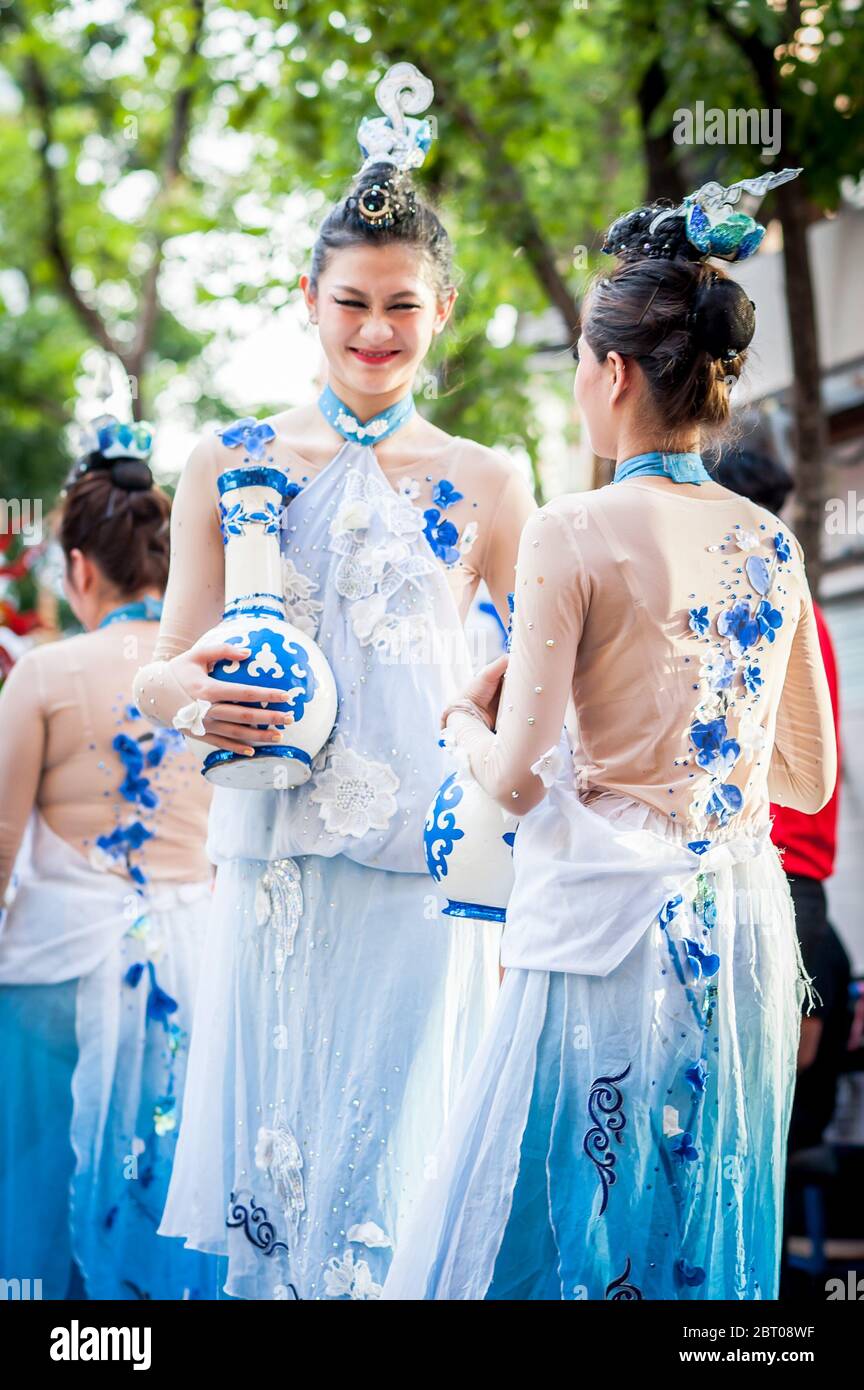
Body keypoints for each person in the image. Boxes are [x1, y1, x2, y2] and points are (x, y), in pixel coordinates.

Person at [381, 172, 837, 1301]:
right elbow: (810, 776)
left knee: (552, 1222)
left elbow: (523, 783)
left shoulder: (571, 527)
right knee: (697, 1224)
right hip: (734, 926)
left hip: (601, 931)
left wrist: (459, 718)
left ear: (616, 371)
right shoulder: (770, 546)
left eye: (583, 362)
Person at [131, 64, 536, 1300]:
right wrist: (196, 698)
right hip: (268, 866)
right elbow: (157, 670)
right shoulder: (226, 456)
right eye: (351, 302)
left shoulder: (492, 478)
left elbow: (548, 672)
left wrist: (488, 716)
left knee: (391, 1190)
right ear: (307, 299)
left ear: (444, 308)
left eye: (402, 306)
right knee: (279, 1177)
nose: (375, 330)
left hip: (423, 863)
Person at [0, 416, 218, 1299]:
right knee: (172, 1184)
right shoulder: (220, 676)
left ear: (80, 568)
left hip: (57, 973)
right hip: (195, 967)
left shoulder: (44, 676)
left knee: (38, 1185)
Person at [712, 447, 851, 1156]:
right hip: (801, 898)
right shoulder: (799, 608)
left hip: (769, 890)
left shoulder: (751, 607)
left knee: (750, 1135)